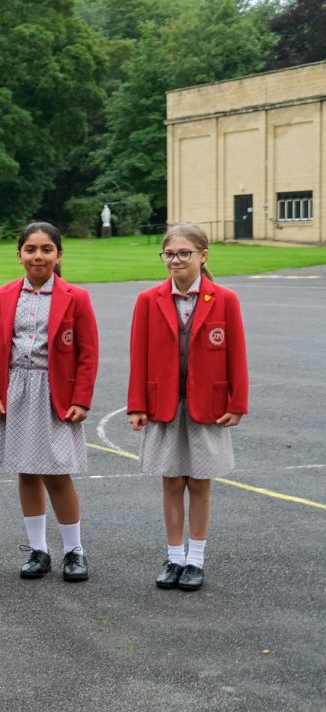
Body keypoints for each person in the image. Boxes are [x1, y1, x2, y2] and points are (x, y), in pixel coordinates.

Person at [128, 223, 247, 592]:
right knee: (171, 480)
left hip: (206, 405)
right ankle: (174, 557)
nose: (175, 260)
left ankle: (196, 559)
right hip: (163, 403)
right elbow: (139, 356)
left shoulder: (224, 299)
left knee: (199, 482)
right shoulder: (148, 300)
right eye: (169, 253)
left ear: (203, 255)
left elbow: (236, 355)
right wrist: (137, 404)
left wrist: (237, 403)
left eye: (184, 253)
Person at [0, 222, 98, 582]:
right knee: (26, 471)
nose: (38, 256)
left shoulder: (76, 297)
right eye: (31, 249)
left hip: (55, 392)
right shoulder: (2, 295)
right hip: (16, 391)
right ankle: (38, 550)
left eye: (46, 249)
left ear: (59, 254)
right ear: (19, 255)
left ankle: (74, 551)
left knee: (58, 473)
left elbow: (88, 354)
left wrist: (81, 399)